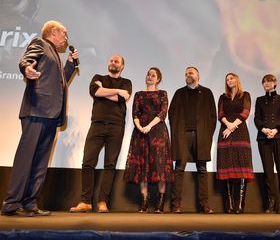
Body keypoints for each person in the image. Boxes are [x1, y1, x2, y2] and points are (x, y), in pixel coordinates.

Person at [1, 20, 78, 217]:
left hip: (51, 115)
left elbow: (60, 82)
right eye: (64, 34)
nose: (66, 38)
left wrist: (70, 64)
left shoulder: (56, 56)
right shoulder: (40, 43)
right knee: (26, 159)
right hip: (36, 111)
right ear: (53, 32)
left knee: (41, 162)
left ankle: (30, 203)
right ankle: (11, 203)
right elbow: (26, 60)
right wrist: (26, 68)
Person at [70, 54, 132, 213]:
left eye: (116, 61)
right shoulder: (98, 77)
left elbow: (121, 99)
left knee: (110, 165)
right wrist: (116, 91)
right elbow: (94, 91)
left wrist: (103, 90)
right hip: (97, 124)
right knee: (87, 162)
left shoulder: (126, 83)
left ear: (122, 66)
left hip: (116, 126)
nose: (113, 63)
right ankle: (85, 202)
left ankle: (103, 202)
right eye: (111, 60)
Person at [124, 67, 173, 213]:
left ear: (158, 79)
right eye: (148, 75)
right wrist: (140, 126)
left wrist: (149, 126)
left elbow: (163, 112)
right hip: (141, 132)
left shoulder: (162, 93)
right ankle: (144, 202)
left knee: (160, 167)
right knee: (142, 167)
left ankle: (160, 203)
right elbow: (135, 113)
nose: (150, 77)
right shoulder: (139, 94)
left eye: (153, 75)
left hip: (158, 132)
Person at [169, 66, 216, 214]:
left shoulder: (207, 93)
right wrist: (176, 132)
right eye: (186, 73)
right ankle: (175, 205)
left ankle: (205, 205)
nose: (187, 75)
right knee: (179, 169)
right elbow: (171, 114)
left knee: (202, 170)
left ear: (198, 75)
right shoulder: (179, 93)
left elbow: (213, 116)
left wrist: (207, 134)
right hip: (182, 135)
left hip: (201, 136)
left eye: (190, 72)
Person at [216, 73, 254, 214]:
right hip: (225, 130)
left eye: (231, 78)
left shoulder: (245, 95)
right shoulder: (222, 97)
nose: (229, 80)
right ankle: (230, 205)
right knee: (227, 165)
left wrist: (232, 127)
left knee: (242, 165)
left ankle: (240, 206)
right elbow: (220, 114)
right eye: (227, 79)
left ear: (237, 80)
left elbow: (245, 112)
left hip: (239, 131)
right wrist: (227, 125)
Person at [254, 74, 280, 214]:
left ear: (275, 83)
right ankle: (271, 202)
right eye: (264, 82)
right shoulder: (259, 100)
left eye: (269, 81)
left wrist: (275, 130)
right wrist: (264, 129)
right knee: (268, 172)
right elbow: (257, 118)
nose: (266, 84)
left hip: (279, 136)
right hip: (263, 138)